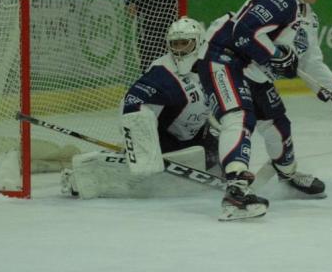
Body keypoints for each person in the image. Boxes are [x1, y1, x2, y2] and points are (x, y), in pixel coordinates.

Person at [196, 0, 332, 221]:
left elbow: (311, 62)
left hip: (253, 69)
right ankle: (236, 191)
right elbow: (243, 33)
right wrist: (275, 54)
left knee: (277, 124)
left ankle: (287, 175)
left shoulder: (307, 17)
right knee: (239, 116)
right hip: (223, 56)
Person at [60, 17, 219, 199]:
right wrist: (142, 147)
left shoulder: (212, 65)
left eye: (185, 43)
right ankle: (78, 176)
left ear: (199, 42)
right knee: (147, 179)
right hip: (165, 139)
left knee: (219, 161)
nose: (179, 50)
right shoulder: (162, 72)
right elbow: (131, 103)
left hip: (197, 134)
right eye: (175, 44)